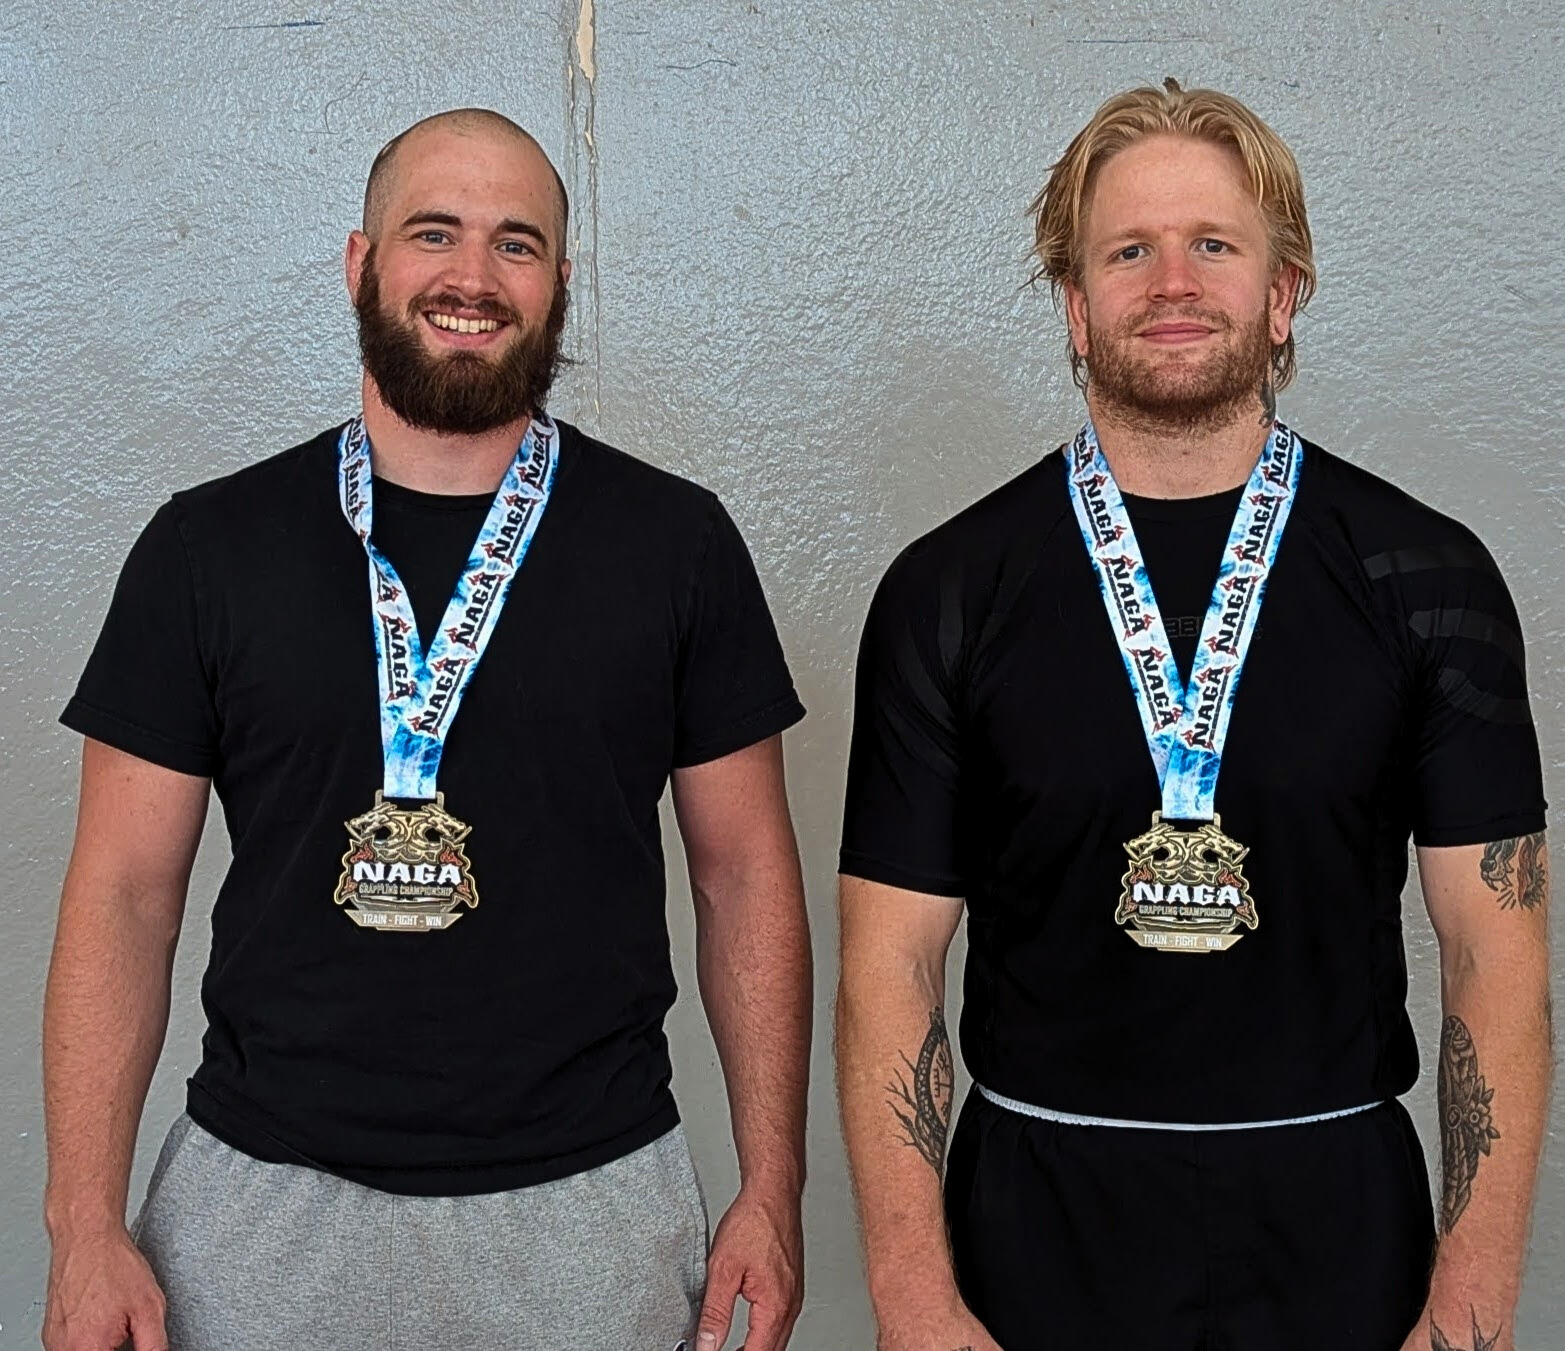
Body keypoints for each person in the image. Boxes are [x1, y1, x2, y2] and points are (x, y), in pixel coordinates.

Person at [43, 108, 809, 1351]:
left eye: (518, 244)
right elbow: (123, 897)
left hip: (591, 1211)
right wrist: (84, 1224)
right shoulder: (207, 548)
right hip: (264, 1208)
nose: (472, 277)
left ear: (559, 284)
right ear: (361, 266)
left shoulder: (676, 545)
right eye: (432, 234)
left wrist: (773, 1192)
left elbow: (744, 878)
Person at [836, 79, 1549, 1351]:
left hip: (1334, 1216)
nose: (1172, 280)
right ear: (1075, 304)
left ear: (1280, 295)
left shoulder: (1427, 578)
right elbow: (888, 967)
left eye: (1212, 245)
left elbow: (1494, 960)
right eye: (1128, 250)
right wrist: (911, 1296)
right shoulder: (946, 590)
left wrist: (1474, 1295)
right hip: (1036, 1212)